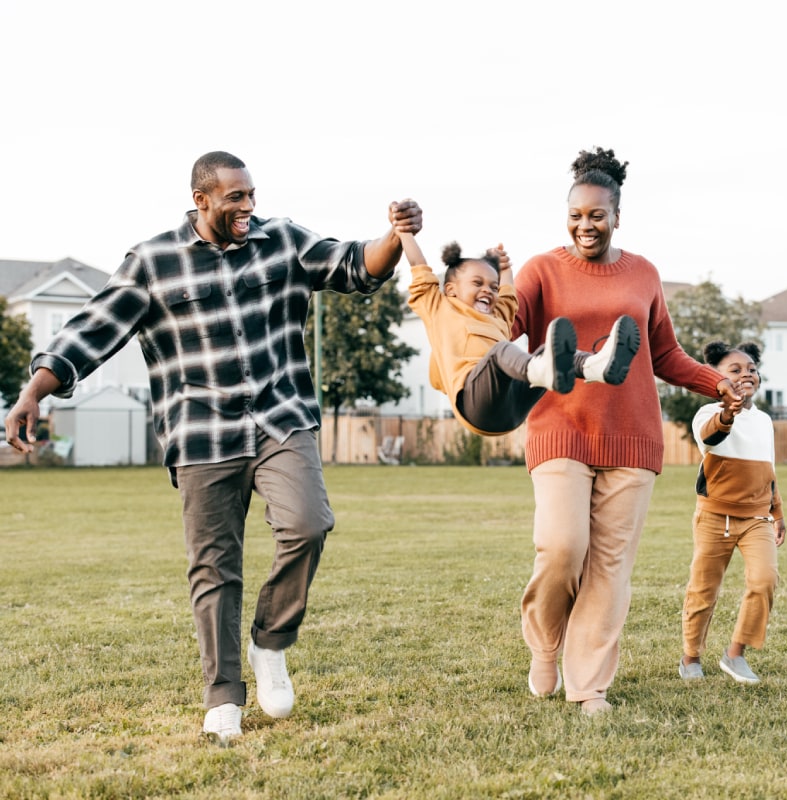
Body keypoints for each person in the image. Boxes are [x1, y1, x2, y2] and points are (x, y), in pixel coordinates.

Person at [4, 151, 422, 745]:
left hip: (281, 418)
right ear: (202, 200)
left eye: (252, 195)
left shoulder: (281, 241)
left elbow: (354, 266)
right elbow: (91, 331)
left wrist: (394, 235)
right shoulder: (154, 262)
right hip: (200, 432)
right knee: (214, 568)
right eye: (235, 198)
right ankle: (223, 696)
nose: (249, 206)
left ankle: (270, 642)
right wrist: (34, 392)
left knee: (308, 524)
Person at [511, 146, 742, 715]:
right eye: (576, 215)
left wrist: (719, 384)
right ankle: (544, 642)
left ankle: (589, 685)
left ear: (617, 216)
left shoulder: (643, 273)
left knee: (610, 568)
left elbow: (665, 353)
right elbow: (504, 329)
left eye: (597, 215)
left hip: (632, 437)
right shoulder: (541, 270)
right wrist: (482, 292)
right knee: (563, 547)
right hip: (560, 427)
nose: (585, 225)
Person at [400, 231, 640, 436]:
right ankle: (541, 370)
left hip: (512, 410)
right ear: (450, 290)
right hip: (475, 407)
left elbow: (508, 296)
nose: (488, 290)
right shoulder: (440, 309)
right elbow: (419, 268)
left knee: (547, 351)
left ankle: (596, 366)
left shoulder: (498, 319)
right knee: (503, 351)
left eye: (492, 287)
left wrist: (504, 267)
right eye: (477, 283)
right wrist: (404, 232)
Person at [680, 341, 786, 684]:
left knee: (764, 579)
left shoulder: (765, 420)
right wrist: (728, 412)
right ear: (717, 377)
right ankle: (690, 657)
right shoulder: (707, 414)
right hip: (714, 518)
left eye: (751, 368)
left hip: (757, 517)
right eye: (735, 370)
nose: (746, 374)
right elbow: (712, 437)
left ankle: (735, 654)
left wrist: (778, 511)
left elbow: (768, 468)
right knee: (703, 589)